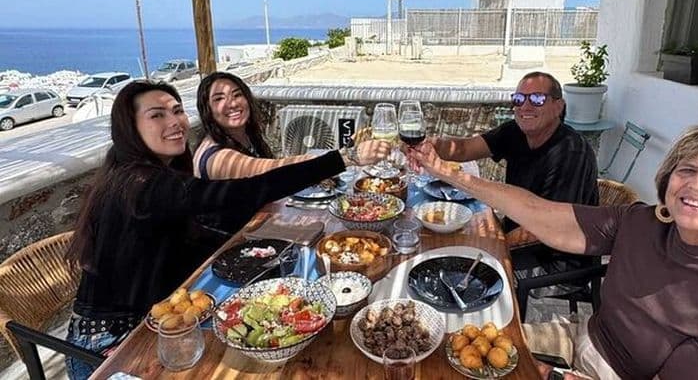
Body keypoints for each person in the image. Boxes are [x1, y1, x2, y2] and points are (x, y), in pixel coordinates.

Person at [408, 118, 698, 379]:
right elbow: (544, 214)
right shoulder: (646, 221)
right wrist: (448, 173)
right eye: (687, 170)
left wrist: (551, 376)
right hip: (581, 338)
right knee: (437, 350)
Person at [63, 81, 357, 379]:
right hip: (109, 347)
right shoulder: (141, 185)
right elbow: (243, 191)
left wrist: (257, 246)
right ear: (130, 128)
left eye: (177, 111)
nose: (174, 121)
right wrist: (340, 160)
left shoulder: (143, 174)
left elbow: (191, 236)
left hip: (159, 323)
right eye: (157, 115)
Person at [427, 71, 598, 296]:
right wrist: (428, 145)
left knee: (474, 278)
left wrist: (491, 245)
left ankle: (497, 326)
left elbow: (545, 226)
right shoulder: (515, 132)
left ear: (559, 106)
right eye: (518, 99)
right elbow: (465, 148)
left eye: (537, 99)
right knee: (448, 248)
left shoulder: (571, 152)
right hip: (521, 240)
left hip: (558, 260)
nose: (525, 106)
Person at [193, 72, 390, 180]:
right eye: (219, 99)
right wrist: (349, 156)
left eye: (237, 95)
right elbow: (267, 169)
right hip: (230, 242)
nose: (233, 103)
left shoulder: (245, 136)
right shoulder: (216, 157)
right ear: (207, 110)